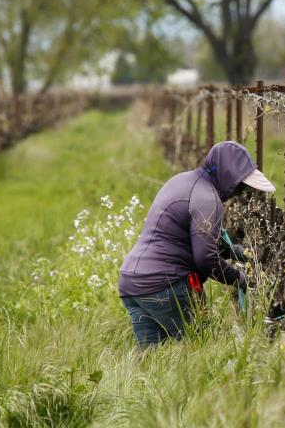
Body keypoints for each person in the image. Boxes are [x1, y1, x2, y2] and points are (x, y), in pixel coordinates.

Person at [118, 141, 275, 348]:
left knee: (149, 358)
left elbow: (184, 235)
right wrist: (240, 279)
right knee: (197, 350)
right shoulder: (208, 199)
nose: (240, 192)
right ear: (229, 177)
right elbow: (205, 258)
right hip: (165, 285)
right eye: (240, 185)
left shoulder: (182, 181)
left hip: (132, 282)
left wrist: (233, 252)